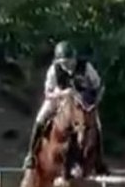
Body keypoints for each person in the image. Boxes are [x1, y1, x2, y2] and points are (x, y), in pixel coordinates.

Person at [23, 41, 106, 172]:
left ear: (74, 58)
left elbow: (99, 86)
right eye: (63, 62)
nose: (66, 65)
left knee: (97, 124)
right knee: (40, 118)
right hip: (59, 99)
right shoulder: (53, 70)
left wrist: (94, 101)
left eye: (69, 61)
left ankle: (99, 161)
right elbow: (48, 92)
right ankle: (31, 155)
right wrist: (63, 93)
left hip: (82, 100)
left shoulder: (86, 67)